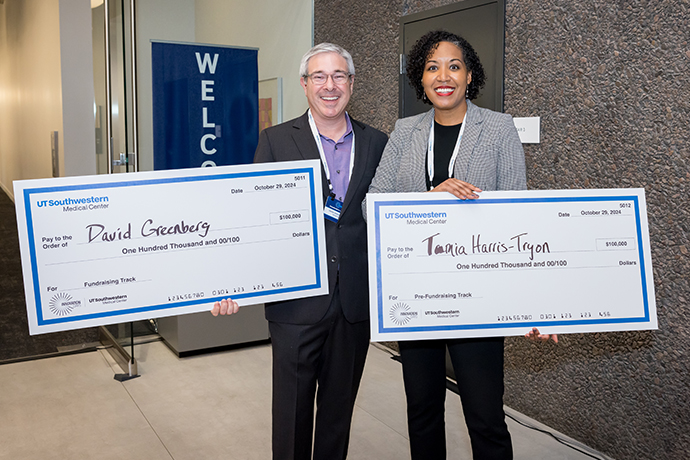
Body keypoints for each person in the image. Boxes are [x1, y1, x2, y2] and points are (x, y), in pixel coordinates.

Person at [366, 30, 556, 460]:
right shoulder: (405, 131)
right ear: (421, 78)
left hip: (479, 299)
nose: (443, 76)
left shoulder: (498, 128)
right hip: (417, 296)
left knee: (486, 417)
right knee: (423, 410)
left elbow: (519, 218)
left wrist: (535, 303)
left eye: (454, 66)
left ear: (469, 75)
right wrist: (427, 199)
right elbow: (370, 206)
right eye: (432, 67)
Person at [212, 43, 388, 460]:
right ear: (305, 85)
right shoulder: (275, 141)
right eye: (320, 77)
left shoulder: (377, 142)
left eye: (339, 76)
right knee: (290, 414)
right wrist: (231, 283)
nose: (330, 86)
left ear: (351, 82)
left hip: (353, 305)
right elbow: (252, 220)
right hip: (295, 304)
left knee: (337, 413)